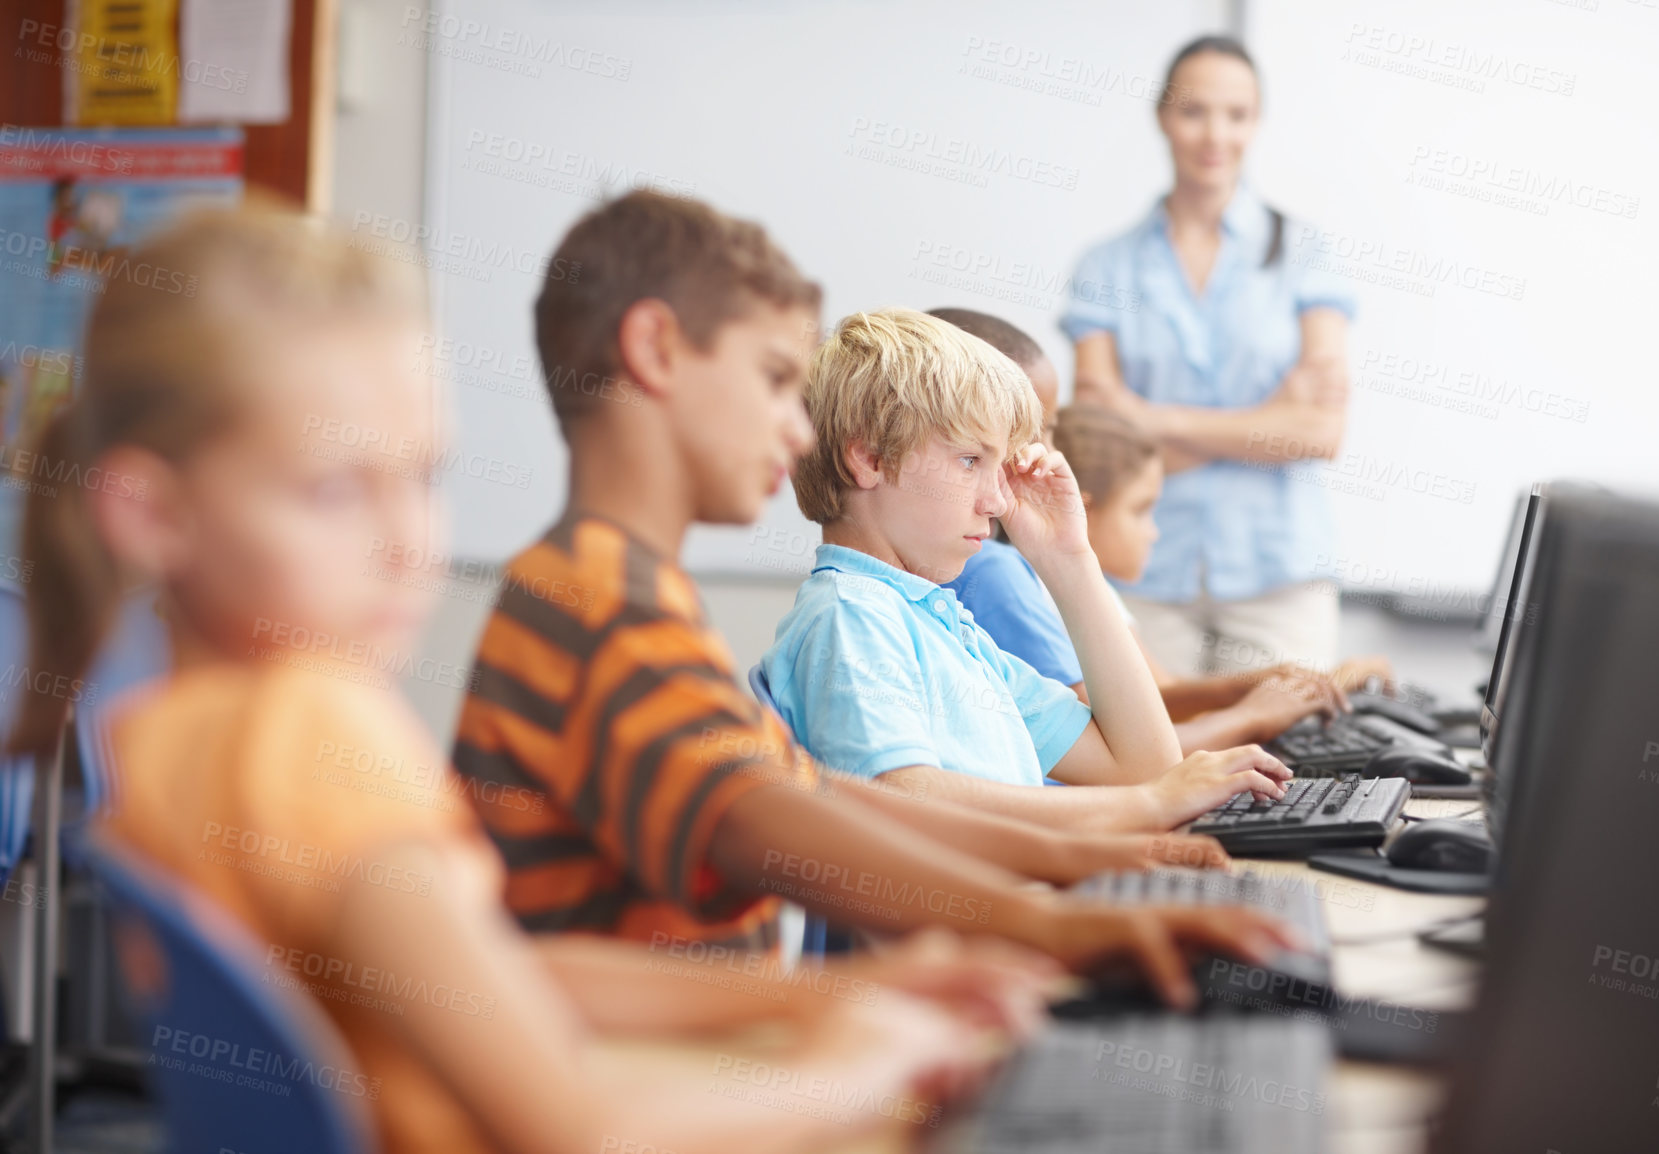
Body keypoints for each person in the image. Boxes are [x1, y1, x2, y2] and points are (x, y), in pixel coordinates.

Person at [3, 204, 1048, 1154]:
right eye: (331, 489)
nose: (406, 543)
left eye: (423, 477)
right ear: (152, 514)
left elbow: (492, 979)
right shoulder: (314, 733)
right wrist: (866, 1067)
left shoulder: (171, 728)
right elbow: (580, 1126)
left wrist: (835, 998)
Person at [451, 192, 1298, 1001]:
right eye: (776, 378)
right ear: (657, 349)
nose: (796, 427)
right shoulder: (600, 610)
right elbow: (838, 813)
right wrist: (1070, 886)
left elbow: (813, 795)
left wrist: (1095, 852)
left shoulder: (639, 599)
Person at [761, 305, 1296, 835]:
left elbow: (1143, 764)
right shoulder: (852, 615)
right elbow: (902, 795)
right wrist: (1149, 804)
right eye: (971, 460)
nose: (997, 501)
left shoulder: (945, 627)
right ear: (871, 460)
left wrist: (1069, 561)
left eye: (1002, 467)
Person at [928, 307, 1392, 749]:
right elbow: (1133, 749)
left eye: (1045, 427)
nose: (1046, 449)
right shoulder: (995, 575)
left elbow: (1152, 711)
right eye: (1142, 510)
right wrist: (1251, 714)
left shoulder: (1017, 573)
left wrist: (1278, 689)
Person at [1063, 35, 1359, 679]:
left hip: (1277, 576)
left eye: (1237, 114)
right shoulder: (1104, 265)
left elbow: (1319, 432)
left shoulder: (1306, 253)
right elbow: (1096, 446)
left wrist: (1149, 418)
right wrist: (1266, 421)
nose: (1214, 134)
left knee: (1298, 769)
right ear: (1162, 117)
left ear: (1257, 122)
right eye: (1194, 111)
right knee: (1153, 758)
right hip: (1143, 575)